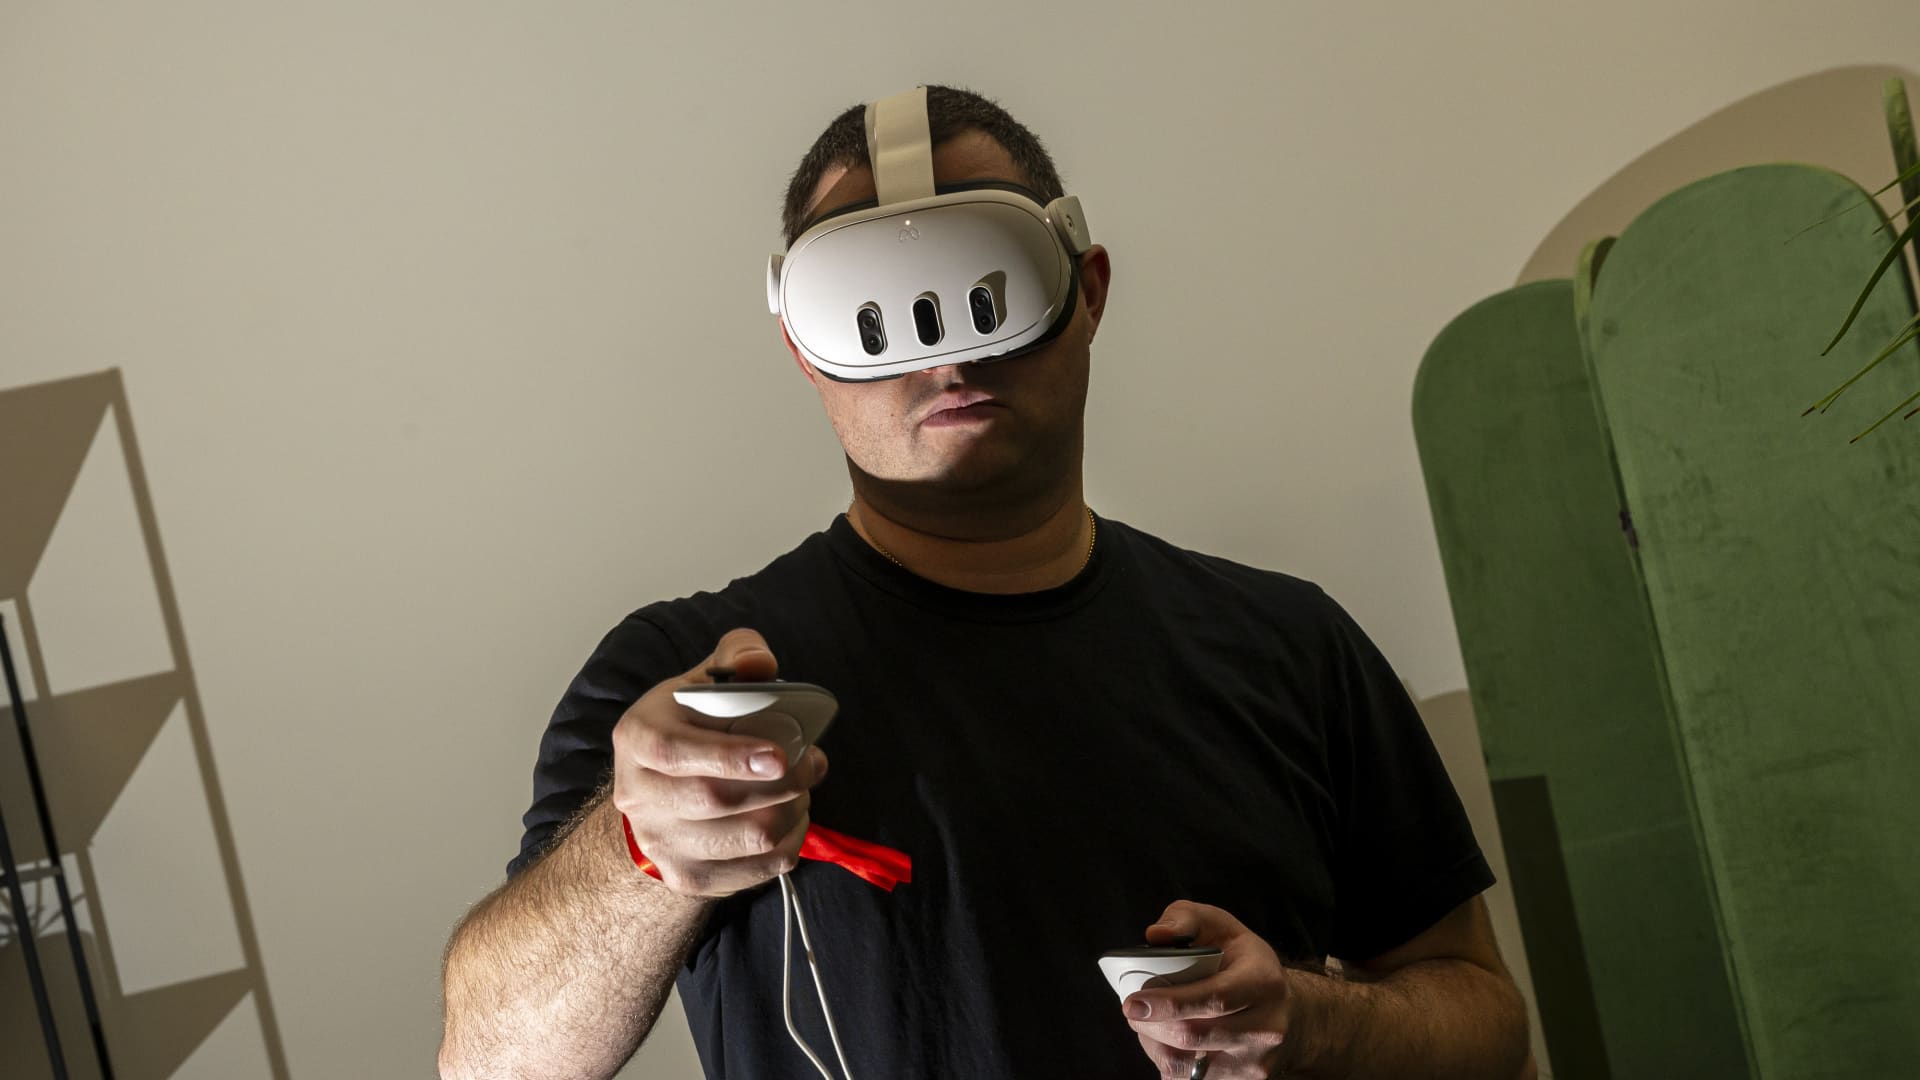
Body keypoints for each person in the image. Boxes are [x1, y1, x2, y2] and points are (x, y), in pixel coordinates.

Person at [439, 85, 1533, 1080]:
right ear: (805, 350)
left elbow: (1485, 1018)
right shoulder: (682, 684)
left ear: (1085, 291)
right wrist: (640, 848)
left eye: (987, 285)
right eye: (873, 311)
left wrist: (1313, 1025)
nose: (946, 356)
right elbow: (492, 1064)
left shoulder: (1292, 645)